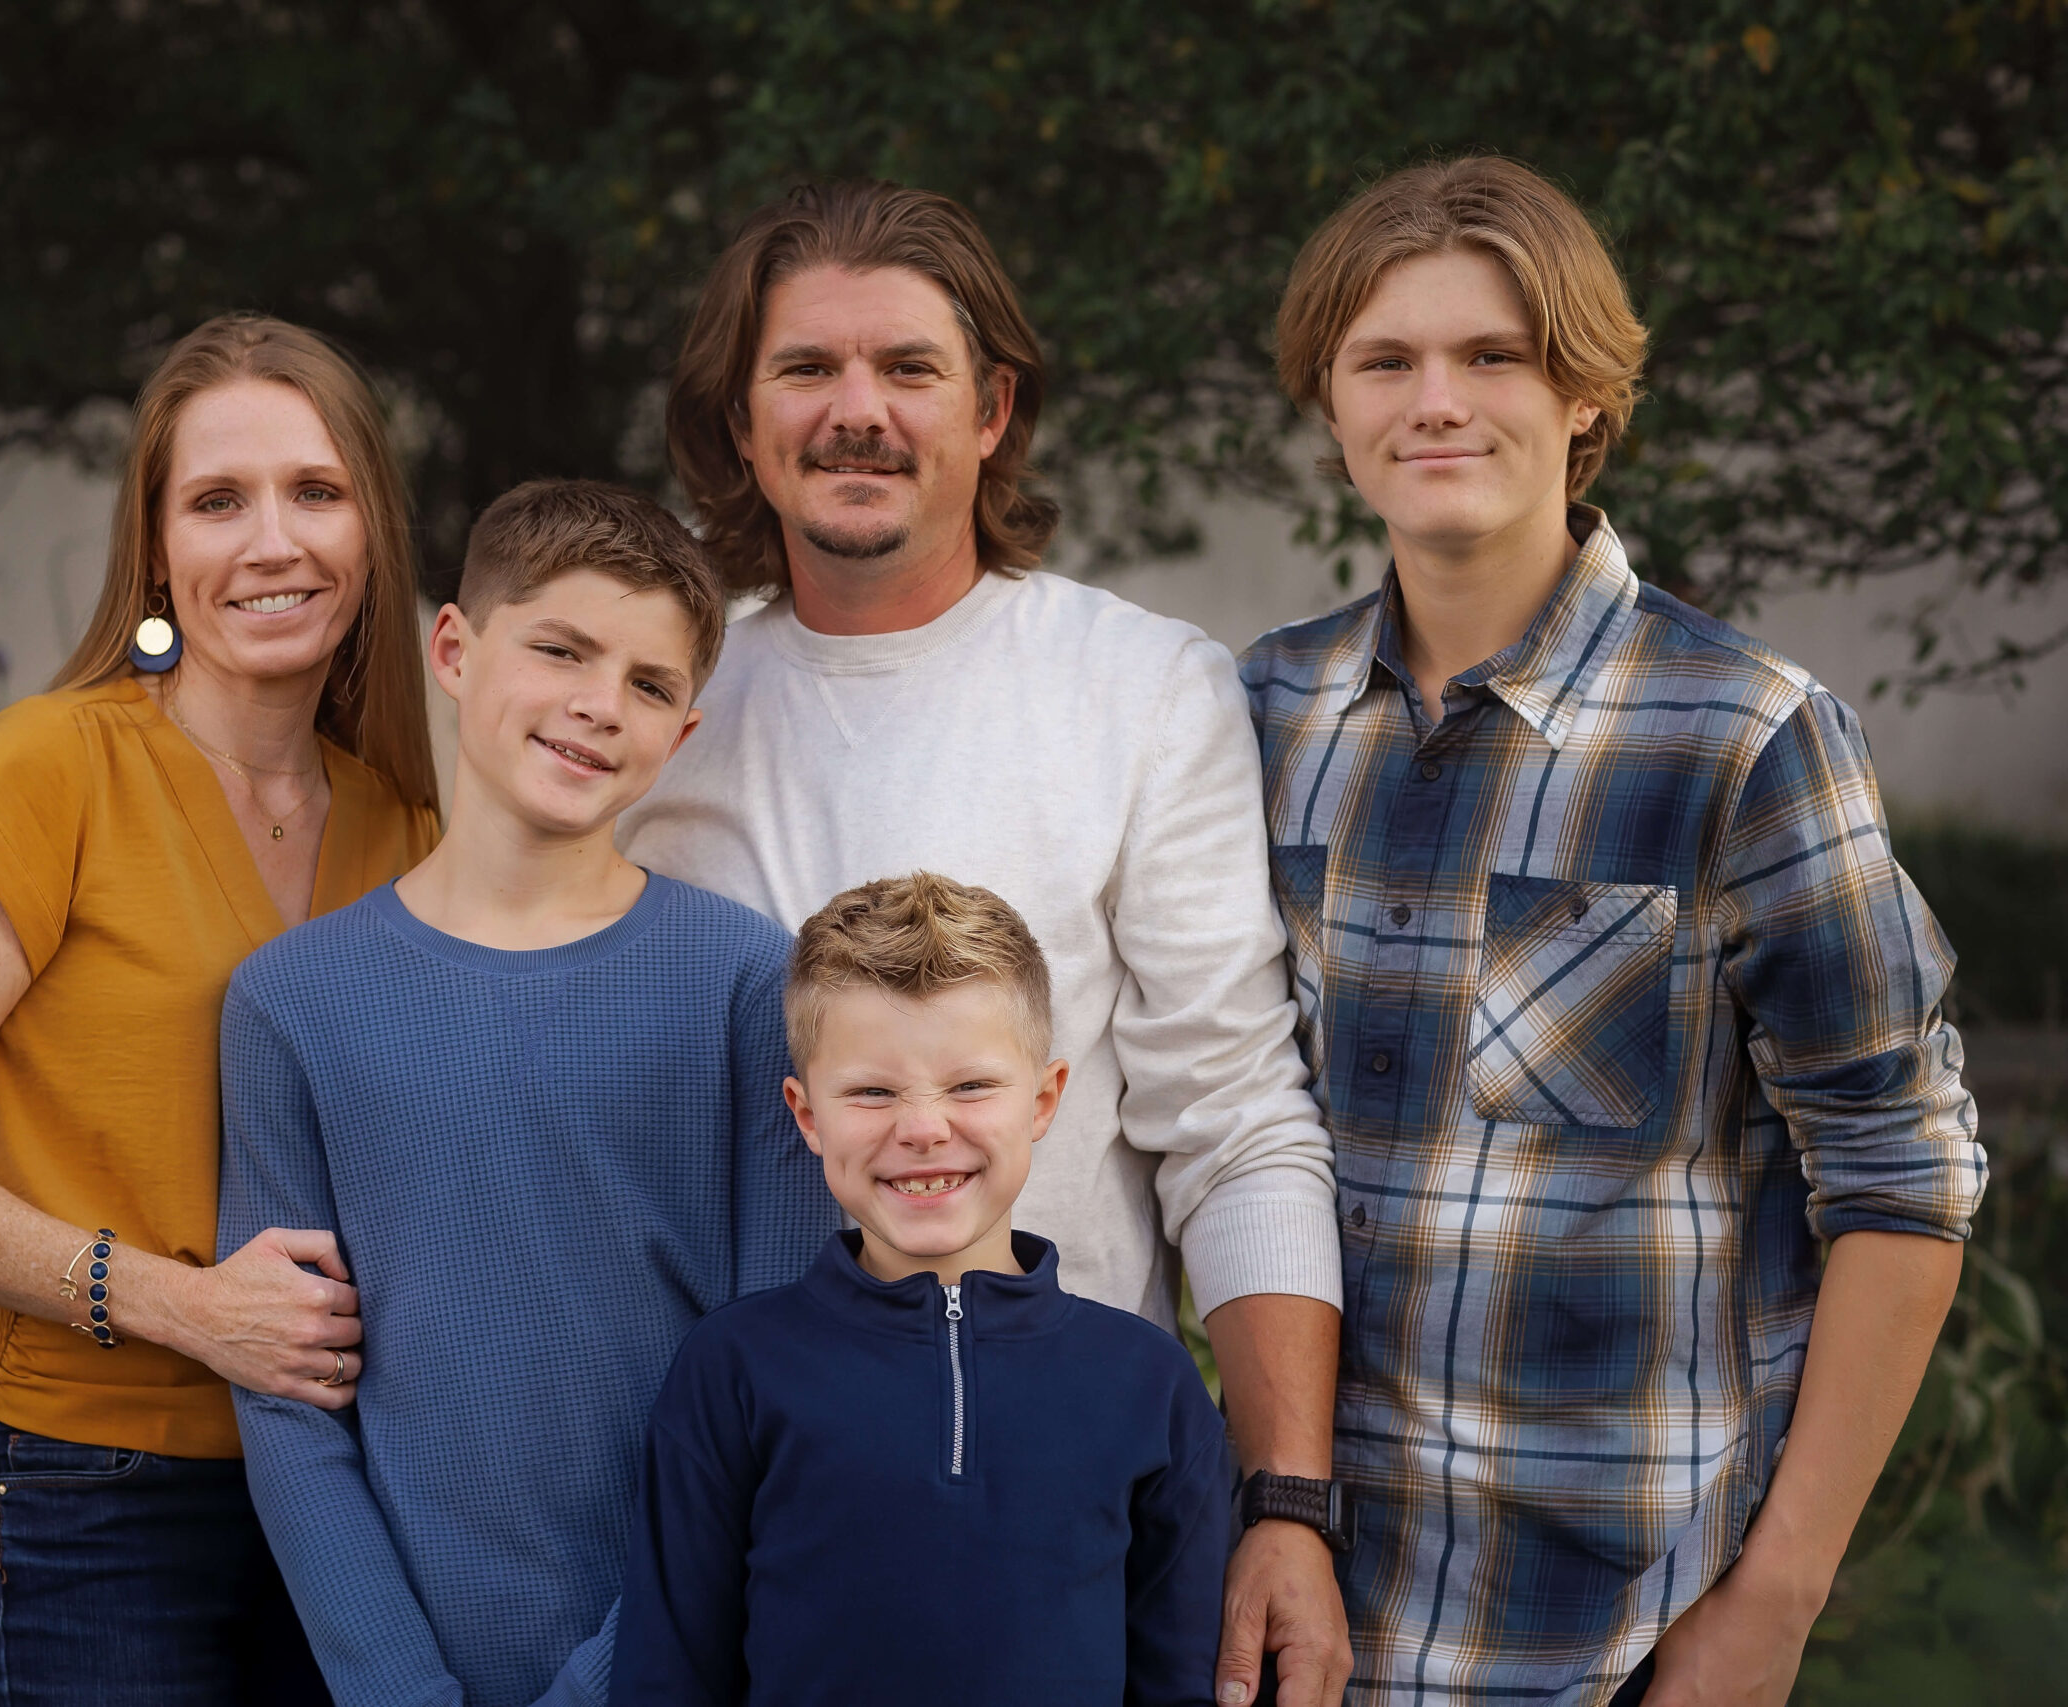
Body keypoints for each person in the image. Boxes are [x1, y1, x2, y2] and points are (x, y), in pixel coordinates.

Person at [1239, 156, 1986, 1707]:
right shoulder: (1258, 714)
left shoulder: (1745, 732)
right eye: (1386, 360)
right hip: (1295, 1608)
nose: (1437, 401)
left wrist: (1776, 1599)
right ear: (1331, 407)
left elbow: (1903, 1177)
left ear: (1583, 393)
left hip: (1608, 1637)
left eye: (1493, 355)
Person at [619, 178, 1352, 1702]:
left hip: (1058, 1529)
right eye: (805, 369)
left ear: (993, 407)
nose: (857, 411)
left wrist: (1285, 1498)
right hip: (742, 1519)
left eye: (909, 367)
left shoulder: (1139, 688)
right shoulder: (657, 709)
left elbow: (1231, 1116)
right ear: (742, 419)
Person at [0, 313, 442, 1706]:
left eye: (315, 491)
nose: (272, 541)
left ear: (373, 532)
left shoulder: (407, 826)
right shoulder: (51, 769)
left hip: (345, 1488)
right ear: (155, 550)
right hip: (86, 1486)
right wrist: (184, 1307)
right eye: (218, 501)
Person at [217, 478, 841, 1707]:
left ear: (682, 735)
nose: (599, 704)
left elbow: (778, 1383)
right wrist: (398, 1691)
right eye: (560, 649)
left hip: (681, 1666)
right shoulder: (290, 1002)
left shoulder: (748, 983)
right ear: (455, 650)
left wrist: (621, 1677)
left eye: (649, 685)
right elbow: (287, 1401)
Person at [610, 872, 1237, 1707]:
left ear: (1044, 1098)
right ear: (807, 1114)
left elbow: (1183, 1681)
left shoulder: (1149, 1384)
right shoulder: (733, 1371)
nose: (923, 1127)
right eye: (872, 1091)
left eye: (970, 1085)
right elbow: (667, 1679)